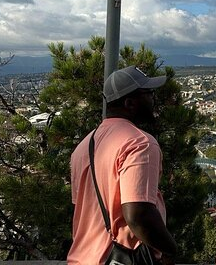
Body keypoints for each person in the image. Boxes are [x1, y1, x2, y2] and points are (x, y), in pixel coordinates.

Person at [68, 66, 177, 265]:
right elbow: (138, 214)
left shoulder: (83, 147)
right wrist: (170, 250)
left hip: (81, 259)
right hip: (119, 259)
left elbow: (81, 210)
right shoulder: (140, 143)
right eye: (148, 94)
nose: (154, 99)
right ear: (130, 103)